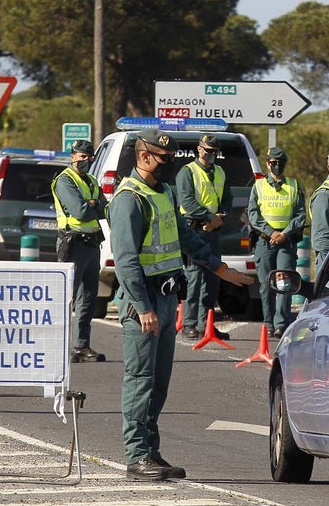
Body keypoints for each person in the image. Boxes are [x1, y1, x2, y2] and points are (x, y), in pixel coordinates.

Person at [108, 129, 254, 481]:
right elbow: (126, 260)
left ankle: (151, 451)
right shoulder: (129, 198)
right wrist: (142, 307)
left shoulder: (163, 192)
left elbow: (186, 237)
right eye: (164, 159)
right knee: (141, 379)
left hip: (166, 296)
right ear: (143, 157)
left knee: (159, 382)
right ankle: (137, 455)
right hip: (142, 302)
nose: (169, 165)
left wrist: (220, 268)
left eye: (172, 159)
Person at [51, 139, 108, 363]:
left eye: (89, 157)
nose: (86, 160)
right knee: (66, 297)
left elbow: (105, 208)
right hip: (73, 243)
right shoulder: (65, 180)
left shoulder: (92, 181)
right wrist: (93, 204)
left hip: (92, 244)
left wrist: (93, 204)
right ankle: (57, 346)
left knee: (88, 299)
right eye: (81, 156)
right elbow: (80, 211)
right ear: (72, 156)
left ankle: (80, 347)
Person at [175, 133, 232, 340]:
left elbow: (227, 200)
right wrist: (209, 217)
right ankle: (189, 323)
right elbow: (187, 202)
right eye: (207, 151)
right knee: (194, 278)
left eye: (214, 152)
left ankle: (206, 324)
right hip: (194, 230)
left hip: (213, 232)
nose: (211, 155)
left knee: (213, 277)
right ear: (199, 149)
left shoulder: (220, 172)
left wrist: (220, 217)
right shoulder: (187, 171)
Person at [247, 146, 307, 338]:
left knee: (284, 283)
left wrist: (284, 233)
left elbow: (300, 216)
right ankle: (268, 323)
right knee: (266, 285)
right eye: (273, 163)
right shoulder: (258, 186)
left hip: (286, 242)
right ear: (267, 163)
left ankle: (281, 323)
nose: (276, 166)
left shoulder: (294, 186)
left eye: (280, 163)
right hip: (264, 241)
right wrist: (271, 232)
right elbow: (253, 214)